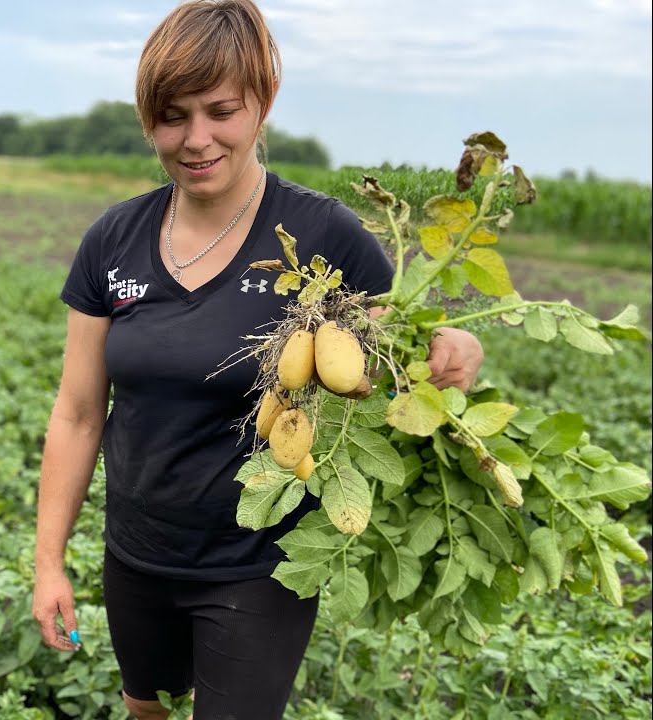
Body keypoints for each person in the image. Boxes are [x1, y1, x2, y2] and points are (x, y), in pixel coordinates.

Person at [30, 1, 485, 718]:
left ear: (261, 105)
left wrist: (458, 348)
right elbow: (80, 413)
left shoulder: (321, 231)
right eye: (173, 116)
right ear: (149, 121)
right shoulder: (113, 239)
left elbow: (411, 340)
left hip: (257, 564)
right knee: (145, 707)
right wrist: (48, 562)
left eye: (220, 111)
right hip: (137, 551)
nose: (196, 139)